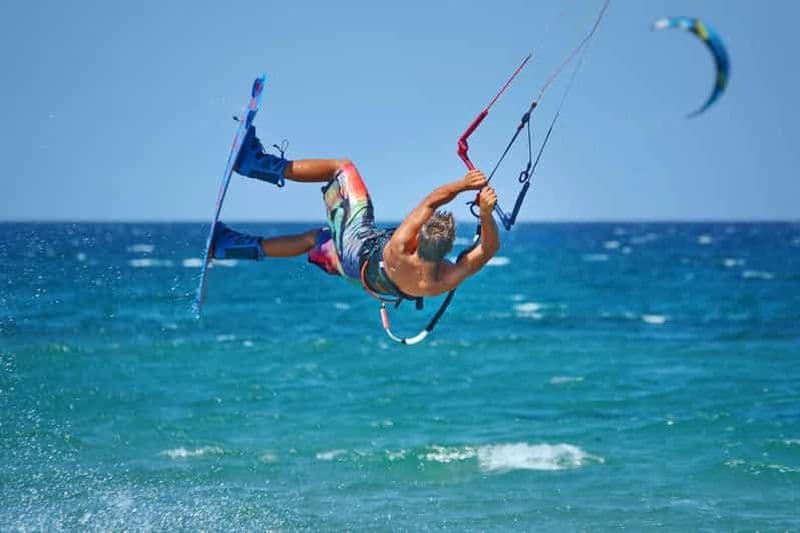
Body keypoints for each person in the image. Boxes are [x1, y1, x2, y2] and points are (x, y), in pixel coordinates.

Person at [211, 127, 500, 301]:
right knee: (315, 239)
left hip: (358, 248)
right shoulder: (444, 278)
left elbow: (430, 202)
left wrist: (462, 185)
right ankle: (227, 247)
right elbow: (488, 249)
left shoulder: (400, 246)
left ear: (419, 237)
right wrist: (485, 214)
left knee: (343, 168)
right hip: (361, 277)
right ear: (445, 250)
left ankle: (254, 163)